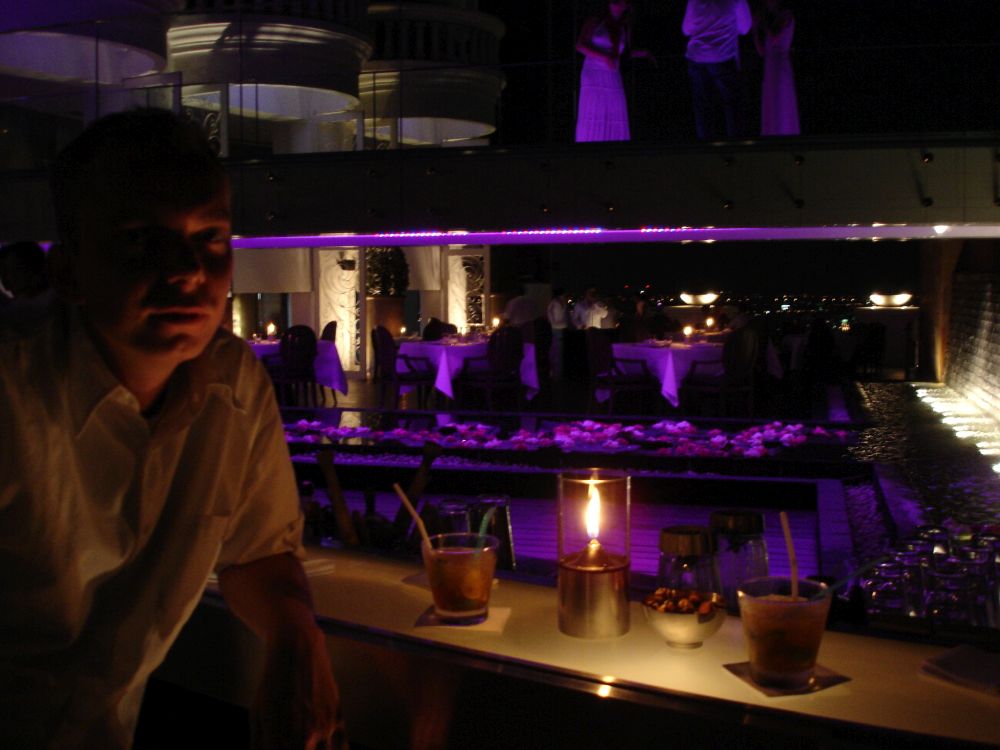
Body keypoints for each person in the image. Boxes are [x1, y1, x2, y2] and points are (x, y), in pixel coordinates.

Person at [0, 109, 344, 749]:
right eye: (140, 239)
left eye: (210, 237)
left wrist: (296, 633)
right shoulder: (13, 388)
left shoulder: (234, 385)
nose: (186, 269)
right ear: (67, 271)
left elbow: (259, 551)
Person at [574, 0, 653, 142]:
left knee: (614, 112)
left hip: (612, 73)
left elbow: (624, 53)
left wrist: (644, 53)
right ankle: (590, 146)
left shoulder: (624, 26)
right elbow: (580, 45)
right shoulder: (596, 21)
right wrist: (604, 57)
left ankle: (615, 146)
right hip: (594, 72)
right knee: (594, 111)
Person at [682, 0, 752, 139]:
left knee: (703, 107)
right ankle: (735, 146)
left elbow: (686, 29)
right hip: (724, 56)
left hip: (698, 57)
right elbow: (745, 28)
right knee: (732, 105)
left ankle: (706, 147)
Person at [755, 0, 799, 136]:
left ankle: (785, 134)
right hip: (769, 67)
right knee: (771, 102)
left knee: (781, 101)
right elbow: (761, 51)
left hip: (780, 66)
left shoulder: (786, 15)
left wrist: (760, 23)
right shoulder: (771, 19)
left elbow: (775, 37)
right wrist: (755, 31)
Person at [546, 287, 570, 378]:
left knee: (561, 349)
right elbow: (549, 313)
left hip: (563, 327)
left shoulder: (563, 302)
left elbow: (565, 314)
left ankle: (560, 370)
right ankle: (556, 370)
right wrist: (553, 323)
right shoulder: (554, 302)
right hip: (556, 328)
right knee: (557, 349)